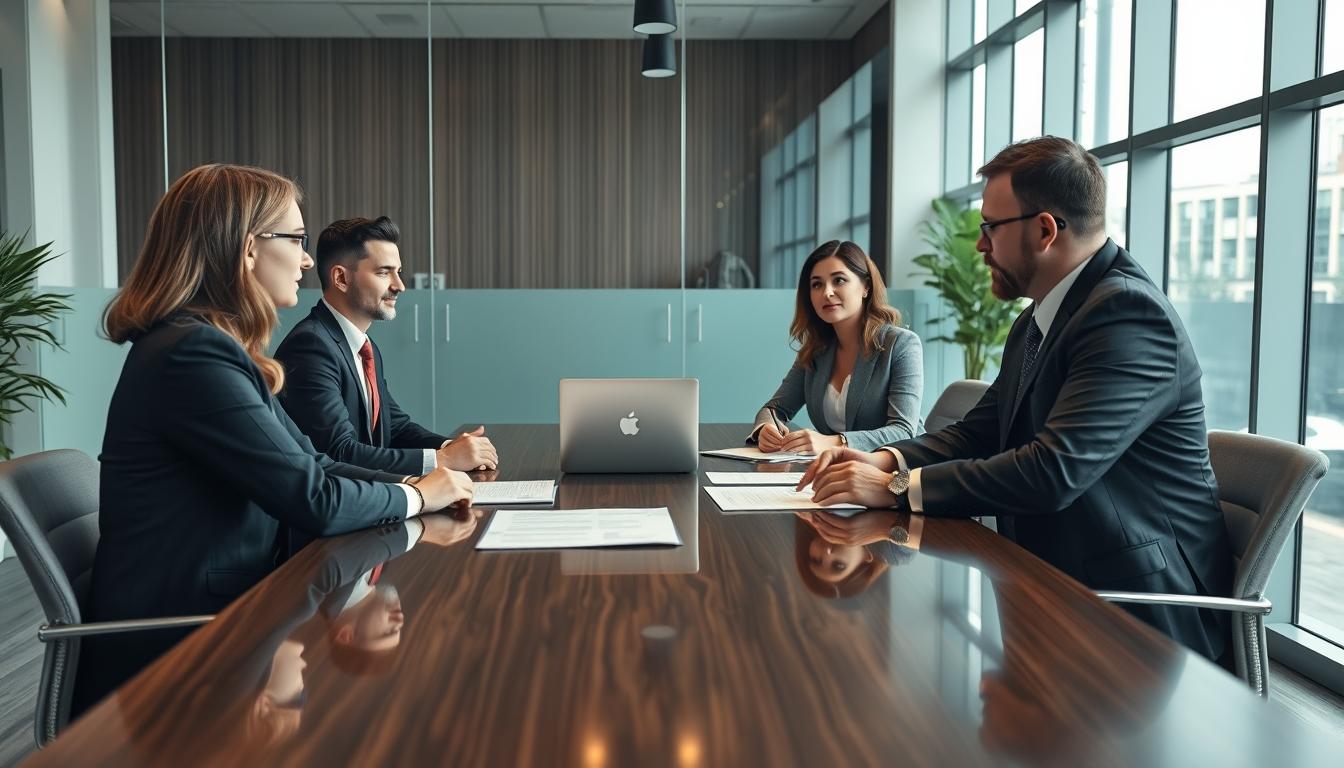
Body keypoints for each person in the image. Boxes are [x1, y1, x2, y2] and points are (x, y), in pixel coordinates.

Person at [800, 137, 1234, 665]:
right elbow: (979, 431)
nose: (980, 245)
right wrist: (884, 459)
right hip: (1049, 577)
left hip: (1134, 614)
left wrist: (894, 487)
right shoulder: (1037, 320)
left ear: (1045, 229)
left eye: (990, 227)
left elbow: (1053, 471)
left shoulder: (1126, 316)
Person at [74, 164, 475, 714]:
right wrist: (421, 495)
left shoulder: (210, 348)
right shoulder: (194, 355)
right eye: (297, 240)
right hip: (188, 651)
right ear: (247, 250)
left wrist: (416, 482)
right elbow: (315, 497)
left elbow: (314, 462)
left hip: (236, 610)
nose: (309, 260)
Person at [275, 216, 497, 476]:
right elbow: (339, 452)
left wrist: (452, 447)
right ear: (341, 278)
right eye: (384, 272)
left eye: (398, 272)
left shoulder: (363, 346)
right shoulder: (311, 346)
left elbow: (396, 427)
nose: (399, 285)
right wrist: (442, 459)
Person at [749, 240, 923, 454]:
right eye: (817, 284)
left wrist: (834, 442)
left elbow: (903, 431)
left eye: (838, 280)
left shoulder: (901, 345)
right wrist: (766, 429)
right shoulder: (816, 350)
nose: (827, 293)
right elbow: (774, 409)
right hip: (835, 473)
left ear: (866, 287)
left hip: (897, 475)